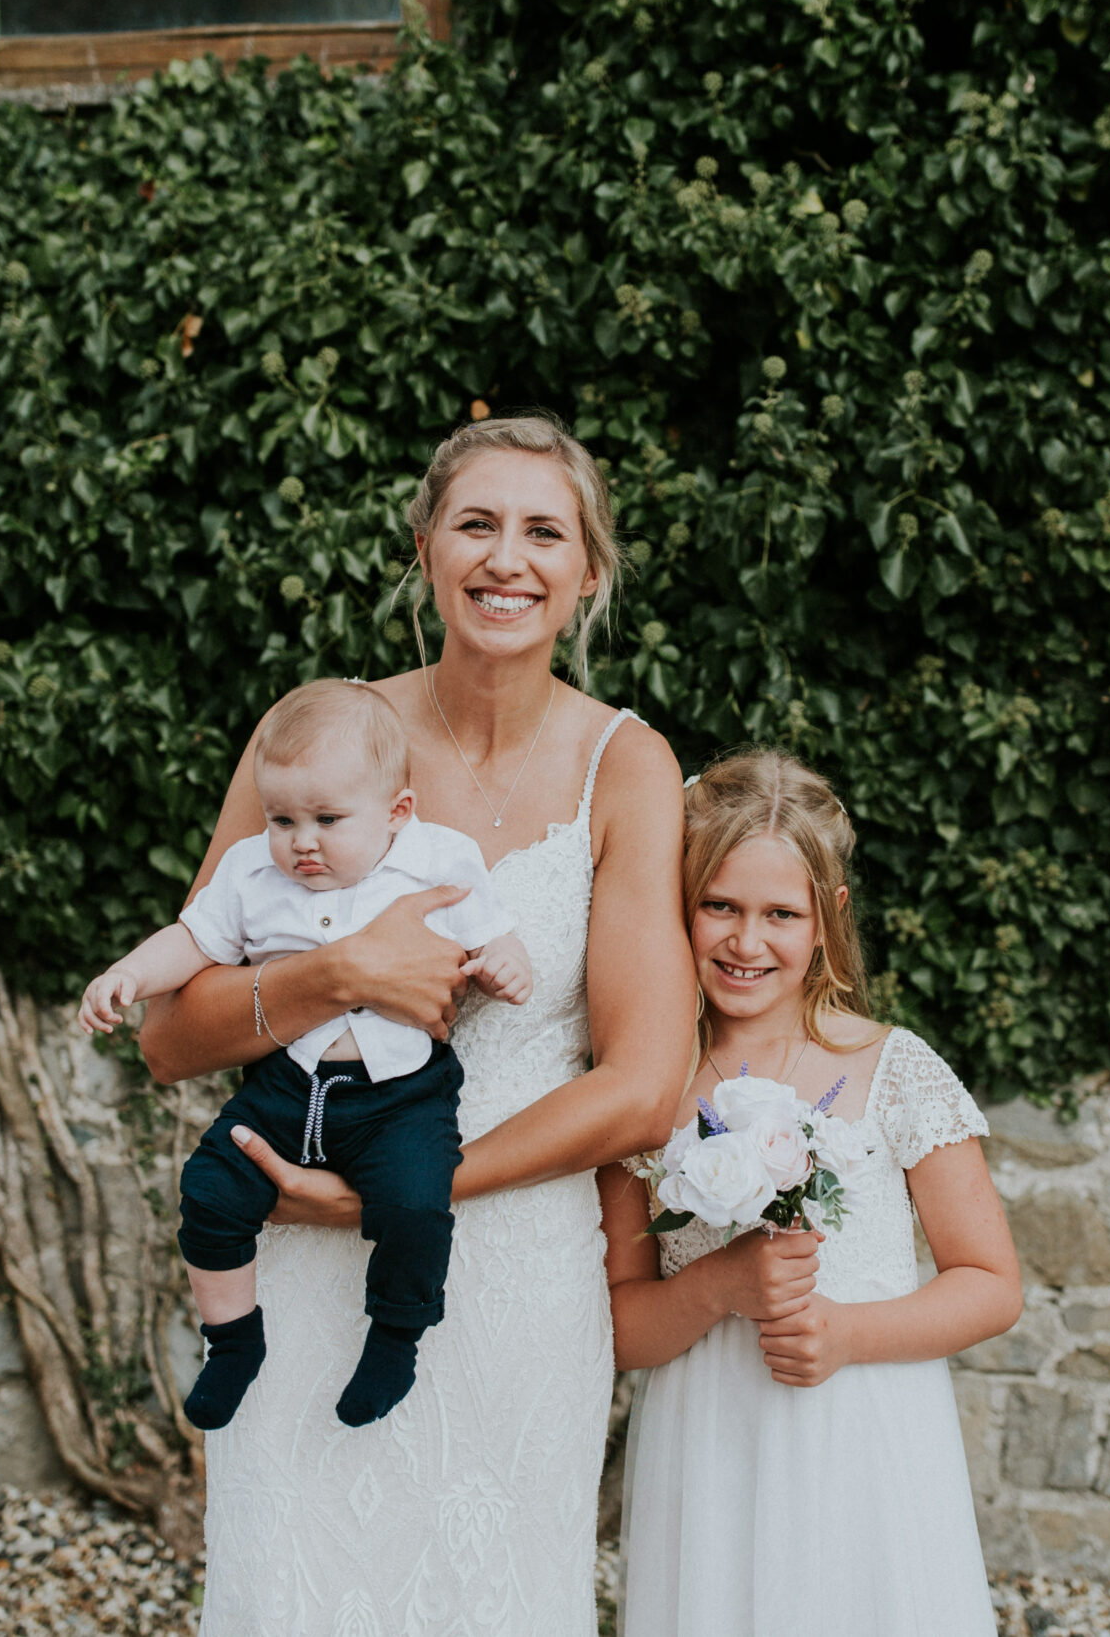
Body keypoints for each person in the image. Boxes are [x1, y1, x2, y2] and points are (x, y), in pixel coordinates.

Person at [139, 413, 691, 1634]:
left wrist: (417, 1189)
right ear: (427, 546)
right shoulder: (315, 738)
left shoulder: (628, 765)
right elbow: (170, 1035)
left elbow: (645, 1086)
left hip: (515, 1270)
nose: (509, 558)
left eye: (545, 532)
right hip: (304, 1238)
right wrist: (341, 973)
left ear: (587, 571)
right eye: (477, 524)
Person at [603, 750, 1023, 1637]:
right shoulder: (646, 1088)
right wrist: (718, 1287)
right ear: (678, 902)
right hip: (709, 1449)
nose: (745, 942)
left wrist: (844, 1332)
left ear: (828, 917)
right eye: (719, 905)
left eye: (779, 914)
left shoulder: (889, 1068)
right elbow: (622, 1328)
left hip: (866, 1436)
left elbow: (991, 1282)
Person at [78, 678, 533, 1429]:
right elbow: (195, 941)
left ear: (397, 812)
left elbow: (492, 926)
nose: (301, 841)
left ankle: (396, 1337)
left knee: (418, 1202)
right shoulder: (253, 871)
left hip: (400, 1092)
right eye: (283, 818)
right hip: (289, 1083)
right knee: (211, 1187)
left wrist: (504, 959)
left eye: (326, 819)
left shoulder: (436, 858)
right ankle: (232, 1340)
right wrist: (129, 973)